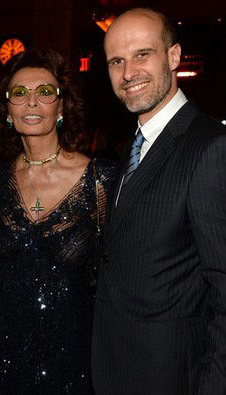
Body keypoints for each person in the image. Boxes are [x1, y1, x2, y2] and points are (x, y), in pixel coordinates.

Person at [92, 8, 226, 395]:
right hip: (117, 370)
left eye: (142, 54)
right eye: (116, 61)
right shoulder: (135, 145)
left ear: (173, 56)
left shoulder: (209, 148)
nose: (128, 72)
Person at [0, 48, 115, 393]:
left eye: (44, 92)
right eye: (19, 94)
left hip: (75, 356)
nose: (31, 102)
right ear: (8, 109)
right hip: (4, 352)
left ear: (61, 106)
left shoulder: (99, 179)